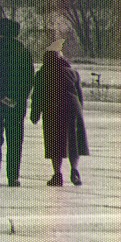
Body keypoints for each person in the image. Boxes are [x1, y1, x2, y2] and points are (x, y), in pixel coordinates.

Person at [0, 16, 35, 187]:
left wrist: (0, 96)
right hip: (15, 104)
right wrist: (15, 98)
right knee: (15, 139)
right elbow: (28, 80)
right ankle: (13, 176)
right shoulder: (23, 52)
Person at [30, 38, 89, 186]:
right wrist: (80, 112)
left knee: (55, 143)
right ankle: (75, 171)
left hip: (53, 109)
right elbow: (80, 96)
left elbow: (37, 97)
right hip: (72, 109)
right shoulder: (73, 73)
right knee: (73, 141)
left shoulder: (42, 74)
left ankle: (57, 175)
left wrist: (35, 114)